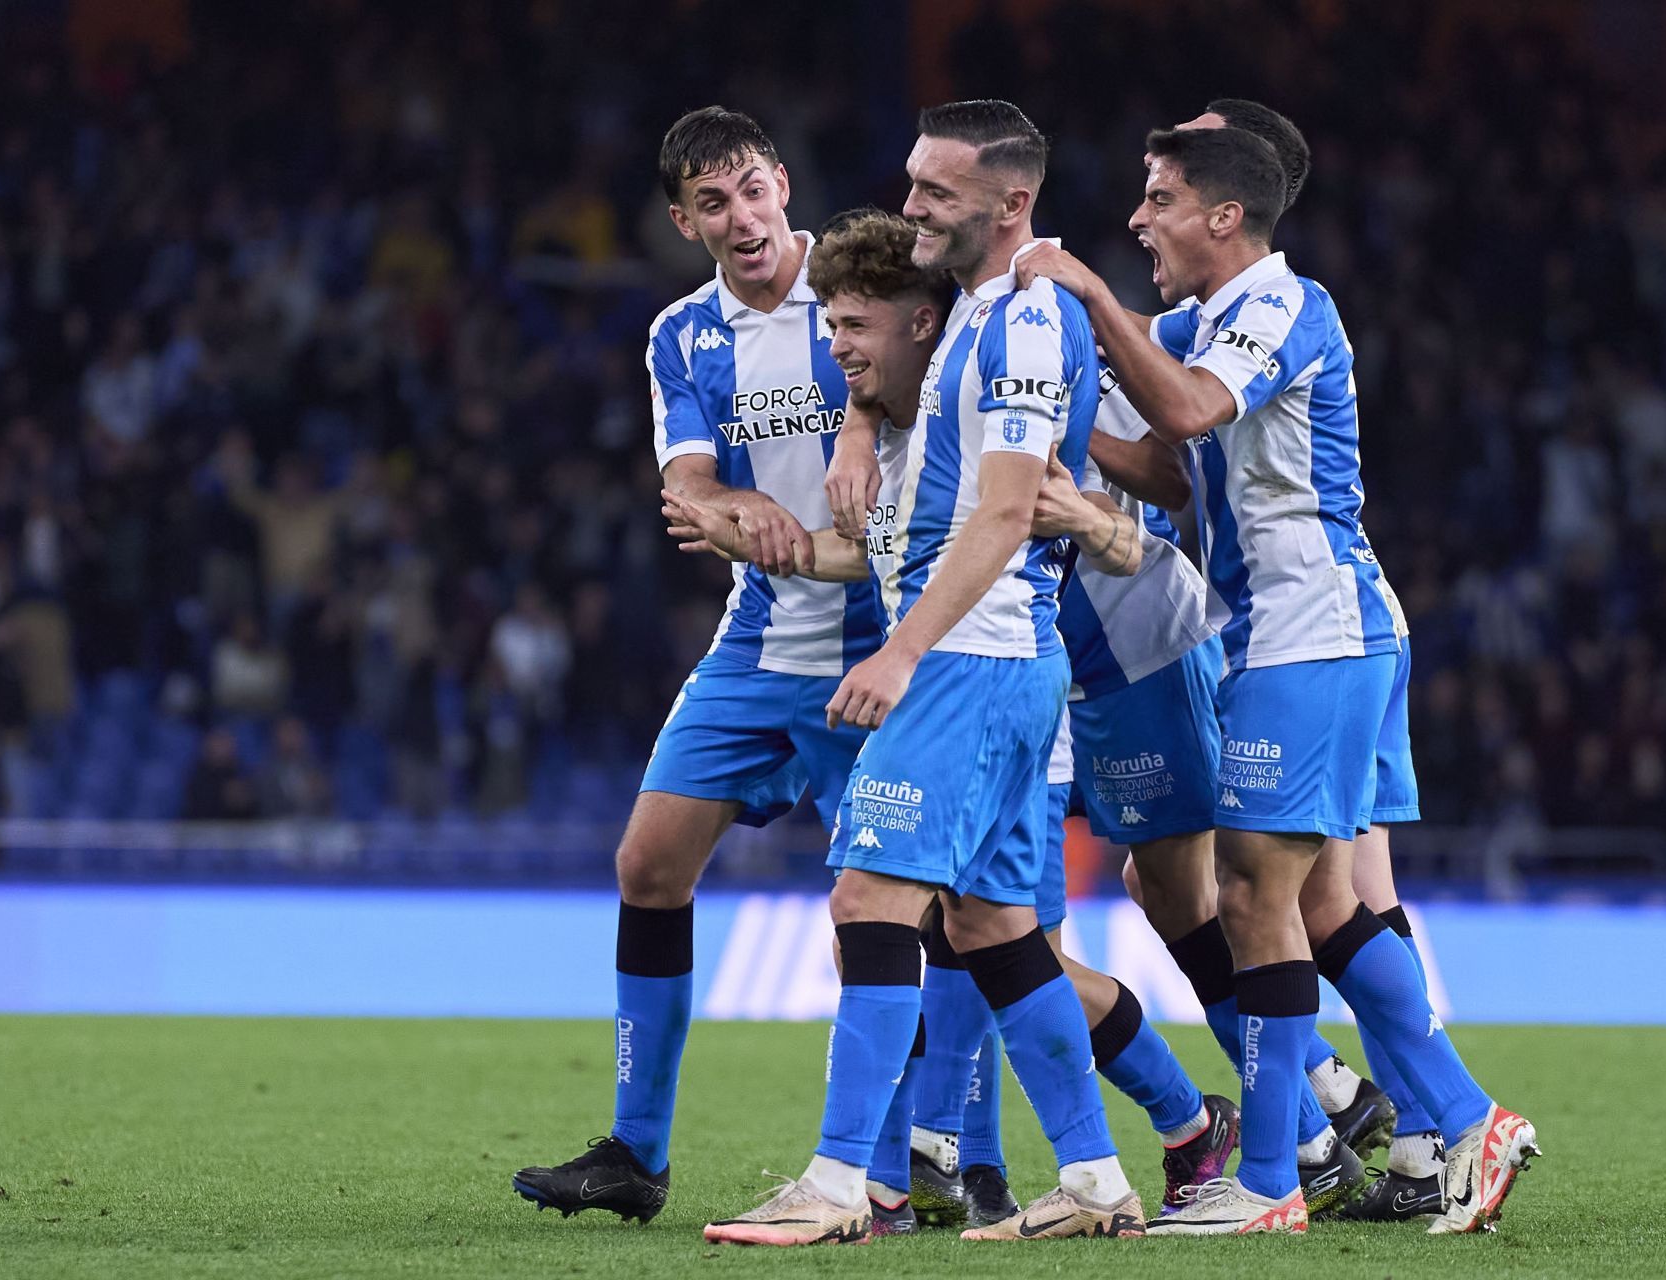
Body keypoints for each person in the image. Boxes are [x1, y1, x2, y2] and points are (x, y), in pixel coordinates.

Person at [1015, 125, 1538, 1235]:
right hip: (1284, 632)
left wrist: (1090, 298)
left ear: (1224, 217)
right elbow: (1169, 460)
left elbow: (1193, 407)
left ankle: (1269, 1177)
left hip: (1317, 627)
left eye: (1158, 200)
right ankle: (1461, 1117)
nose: (1138, 220)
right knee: (1319, 899)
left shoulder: (1281, 304)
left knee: (1256, 892)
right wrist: (1062, 438)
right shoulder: (1197, 324)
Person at [673, 209, 1236, 1232]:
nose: (833, 345)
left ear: (921, 322)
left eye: (851, 325)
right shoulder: (919, 414)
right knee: (994, 930)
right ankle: (1104, 1171)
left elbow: (1038, 512)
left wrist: (901, 651)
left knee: (869, 903)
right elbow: (879, 553)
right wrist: (750, 532)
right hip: (1015, 673)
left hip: (978, 668)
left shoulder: (1001, 350)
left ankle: (849, 1182)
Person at [511, 107, 879, 1225]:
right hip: (760, 646)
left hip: (885, 640)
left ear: (781, 183)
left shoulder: (865, 280)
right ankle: (637, 1147)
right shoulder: (683, 334)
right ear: (683, 220)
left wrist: (855, 434)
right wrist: (730, 506)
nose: (740, 218)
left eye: (752, 190)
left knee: (920, 910)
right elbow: (686, 485)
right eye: (710, 204)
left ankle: (917, 1154)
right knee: (648, 863)